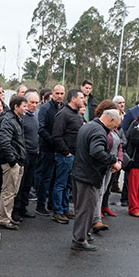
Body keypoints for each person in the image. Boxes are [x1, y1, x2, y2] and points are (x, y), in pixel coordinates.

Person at [70, 108, 123, 251]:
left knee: (81, 208)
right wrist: (113, 161)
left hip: (79, 173)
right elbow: (96, 151)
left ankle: (83, 234)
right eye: (115, 125)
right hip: (89, 175)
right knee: (86, 209)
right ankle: (79, 240)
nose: (114, 129)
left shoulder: (88, 126)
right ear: (111, 120)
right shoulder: (99, 132)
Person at [50, 89, 86, 224]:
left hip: (75, 155)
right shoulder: (63, 114)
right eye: (81, 97)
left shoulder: (77, 114)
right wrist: (66, 152)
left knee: (68, 184)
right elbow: (56, 136)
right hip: (65, 155)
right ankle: (57, 211)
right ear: (73, 99)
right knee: (60, 183)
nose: (84, 100)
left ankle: (65, 208)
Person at [0, 95, 28, 229]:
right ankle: (3, 219)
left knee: (13, 191)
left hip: (18, 161)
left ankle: (7, 217)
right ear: (16, 107)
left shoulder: (17, 119)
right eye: (24, 106)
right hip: (12, 163)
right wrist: (13, 161)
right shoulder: (8, 120)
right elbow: (4, 143)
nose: (27, 109)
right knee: (8, 191)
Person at [35, 84, 66, 216]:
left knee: (55, 178)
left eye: (61, 93)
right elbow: (40, 128)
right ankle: (40, 205)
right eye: (57, 93)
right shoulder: (45, 108)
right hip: (47, 147)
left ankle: (52, 203)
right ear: (52, 93)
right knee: (45, 177)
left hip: (59, 149)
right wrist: (53, 141)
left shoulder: (64, 108)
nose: (59, 96)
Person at [92, 99, 124, 227]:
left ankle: (98, 216)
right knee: (98, 192)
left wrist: (119, 160)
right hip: (103, 164)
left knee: (104, 191)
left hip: (111, 164)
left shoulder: (114, 129)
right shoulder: (100, 129)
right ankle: (96, 219)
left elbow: (120, 144)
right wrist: (113, 162)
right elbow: (99, 150)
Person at [13, 90, 41, 220]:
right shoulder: (21, 117)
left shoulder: (35, 116)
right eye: (31, 102)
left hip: (34, 154)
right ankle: (16, 210)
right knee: (20, 184)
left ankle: (24, 208)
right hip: (24, 155)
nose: (34, 105)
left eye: (36, 102)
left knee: (28, 183)